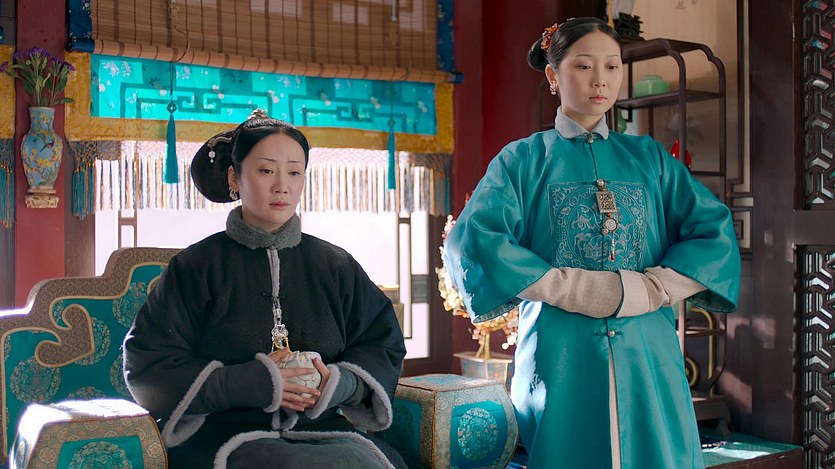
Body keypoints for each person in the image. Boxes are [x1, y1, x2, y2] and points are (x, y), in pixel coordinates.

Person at [442, 17, 740, 469]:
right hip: (560, 354)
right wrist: (567, 287)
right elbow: (474, 240)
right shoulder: (523, 160)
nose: (600, 80)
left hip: (649, 354)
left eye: (612, 66)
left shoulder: (649, 158)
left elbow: (714, 230)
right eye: (583, 66)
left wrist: (654, 289)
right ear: (553, 74)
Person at [123, 111, 408, 469]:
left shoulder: (336, 265)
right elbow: (149, 365)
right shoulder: (196, 267)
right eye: (266, 170)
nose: (282, 186)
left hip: (325, 430)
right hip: (224, 436)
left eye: (294, 172)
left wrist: (339, 383)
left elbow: (382, 343)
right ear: (234, 177)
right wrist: (245, 382)